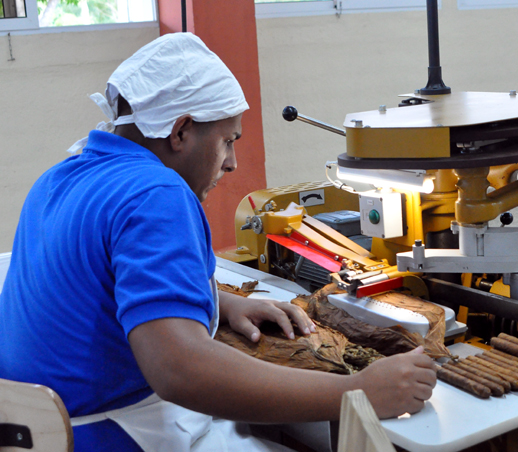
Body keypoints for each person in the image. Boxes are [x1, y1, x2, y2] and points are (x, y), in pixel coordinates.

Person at [0, 33, 437, 452]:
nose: (231, 162)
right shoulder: (156, 193)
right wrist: (357, 392)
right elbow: (180, 370)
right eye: (228, 140)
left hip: (40, 432)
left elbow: (91, 283)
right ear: (181, 131)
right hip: (111, 437)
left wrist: (216, 304)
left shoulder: (61, 177)